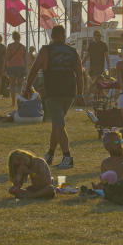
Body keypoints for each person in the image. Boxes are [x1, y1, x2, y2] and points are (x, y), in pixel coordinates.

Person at [26, 25, 84, 169]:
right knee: (57, 124)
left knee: (59, 124)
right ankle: (50, 154)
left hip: (53, 91)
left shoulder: (46, 50)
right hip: (69, 92)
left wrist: (27, 87)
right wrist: (81, 93)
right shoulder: (73, 51)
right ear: (64, 36)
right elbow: (80, 74)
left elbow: (34, 69)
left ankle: (67, 157)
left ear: (52, 36)